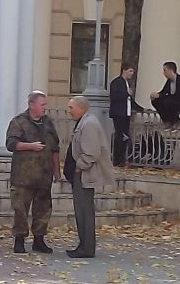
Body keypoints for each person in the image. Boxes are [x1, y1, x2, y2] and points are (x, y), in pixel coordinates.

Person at [6, 90, 60, 254]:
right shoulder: (19, 122)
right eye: (42, 104)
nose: (45, 108)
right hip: (23, 176)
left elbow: (55, 148)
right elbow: (10, 144)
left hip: (44, 175)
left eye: (45, 105)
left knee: (43, 209)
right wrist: (31, 146)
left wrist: (57, 171)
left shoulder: (48, 123)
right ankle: (19, 240)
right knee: (20, 210)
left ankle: (39, 239)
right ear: (31, 105)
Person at [64, 96, 115, 258]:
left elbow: (91, 153)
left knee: (85, 211)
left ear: (82, 108)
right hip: (81, 174)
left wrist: (79, 166)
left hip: (85, 175)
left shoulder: (89, 124)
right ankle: (84, 245)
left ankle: (86, 248)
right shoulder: (84, 122)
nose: (69, 111)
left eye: (71, 107)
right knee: (82, 211)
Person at [108, 64, 145, 167]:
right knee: (120, 136)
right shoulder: (116, 82)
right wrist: (127, 93)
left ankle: (122, 159)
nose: (132, 74)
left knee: (125, 137)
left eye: (132, 72)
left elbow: (130, 101)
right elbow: (114, 96)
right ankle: (118, 159)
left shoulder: (126, 83)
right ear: (124, 70)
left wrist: (141, 108)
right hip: (119, 114)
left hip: (126, 114)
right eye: (130, 71)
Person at [150, 62, 180, 129]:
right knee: (156, 101)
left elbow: (179, 95)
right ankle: (166, 121)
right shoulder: (169, 81)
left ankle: (176, 120)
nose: (163, 73)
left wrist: (160, 96)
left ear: (171, 71)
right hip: (173, 102)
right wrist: (156, 95)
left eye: (165, 70)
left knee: (167, 102)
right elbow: (163, 92)